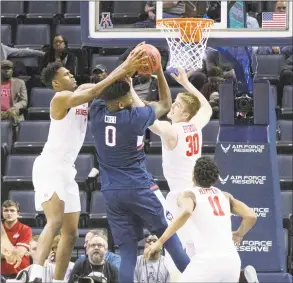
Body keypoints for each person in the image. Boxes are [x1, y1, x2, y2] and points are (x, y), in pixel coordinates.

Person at [28, 48, 148, 283]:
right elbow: (94, 90)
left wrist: (129, 67)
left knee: (71, 233)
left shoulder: (81, 90)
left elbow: (102, 88)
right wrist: (123, 68)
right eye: (65, 74)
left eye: (71, 73)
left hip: (66, 170)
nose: (72, 76)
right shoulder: (60, 98)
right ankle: (35, 274)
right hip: (49, 165)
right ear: (55, 83)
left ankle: (59, 280)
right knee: (54, 221)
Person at [89, 50, 190, 283]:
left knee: (127, 253)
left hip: (111, 191)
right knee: (171, 238)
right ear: (124, 101)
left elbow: (103, 91)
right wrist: (158, 72)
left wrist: (123, 70)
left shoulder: (96, 111)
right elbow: (165, 102)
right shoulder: (135, 117)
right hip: (139, 186)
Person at [144, 156, 258, 282]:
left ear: (193, 174)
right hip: (232, 263)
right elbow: (250, 216)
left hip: (207, 261)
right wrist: (238, 235)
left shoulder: (189, 194)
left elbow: (187, 211)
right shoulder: (225, 196)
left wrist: (160, 242)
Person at [148, 67, 212, 256]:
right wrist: (186, 83)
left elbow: (147, 120)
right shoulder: (195, 125)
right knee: (194, 248)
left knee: (178, 253)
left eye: (177, 105)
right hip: (197, 193)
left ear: (185, 115)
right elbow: (206, 107)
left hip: (180, 196)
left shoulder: (171, 130)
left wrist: (131, 94)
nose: (173, 106)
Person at [1, 200, 32, 279]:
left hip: (19, 274)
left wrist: (3, 251)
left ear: (18, 214)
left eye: (12, 210)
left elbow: (17, 254)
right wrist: (12, 250)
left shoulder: (25, 229)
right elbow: (13, 254)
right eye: (6, 210)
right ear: (2, 213)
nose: (9, 213)